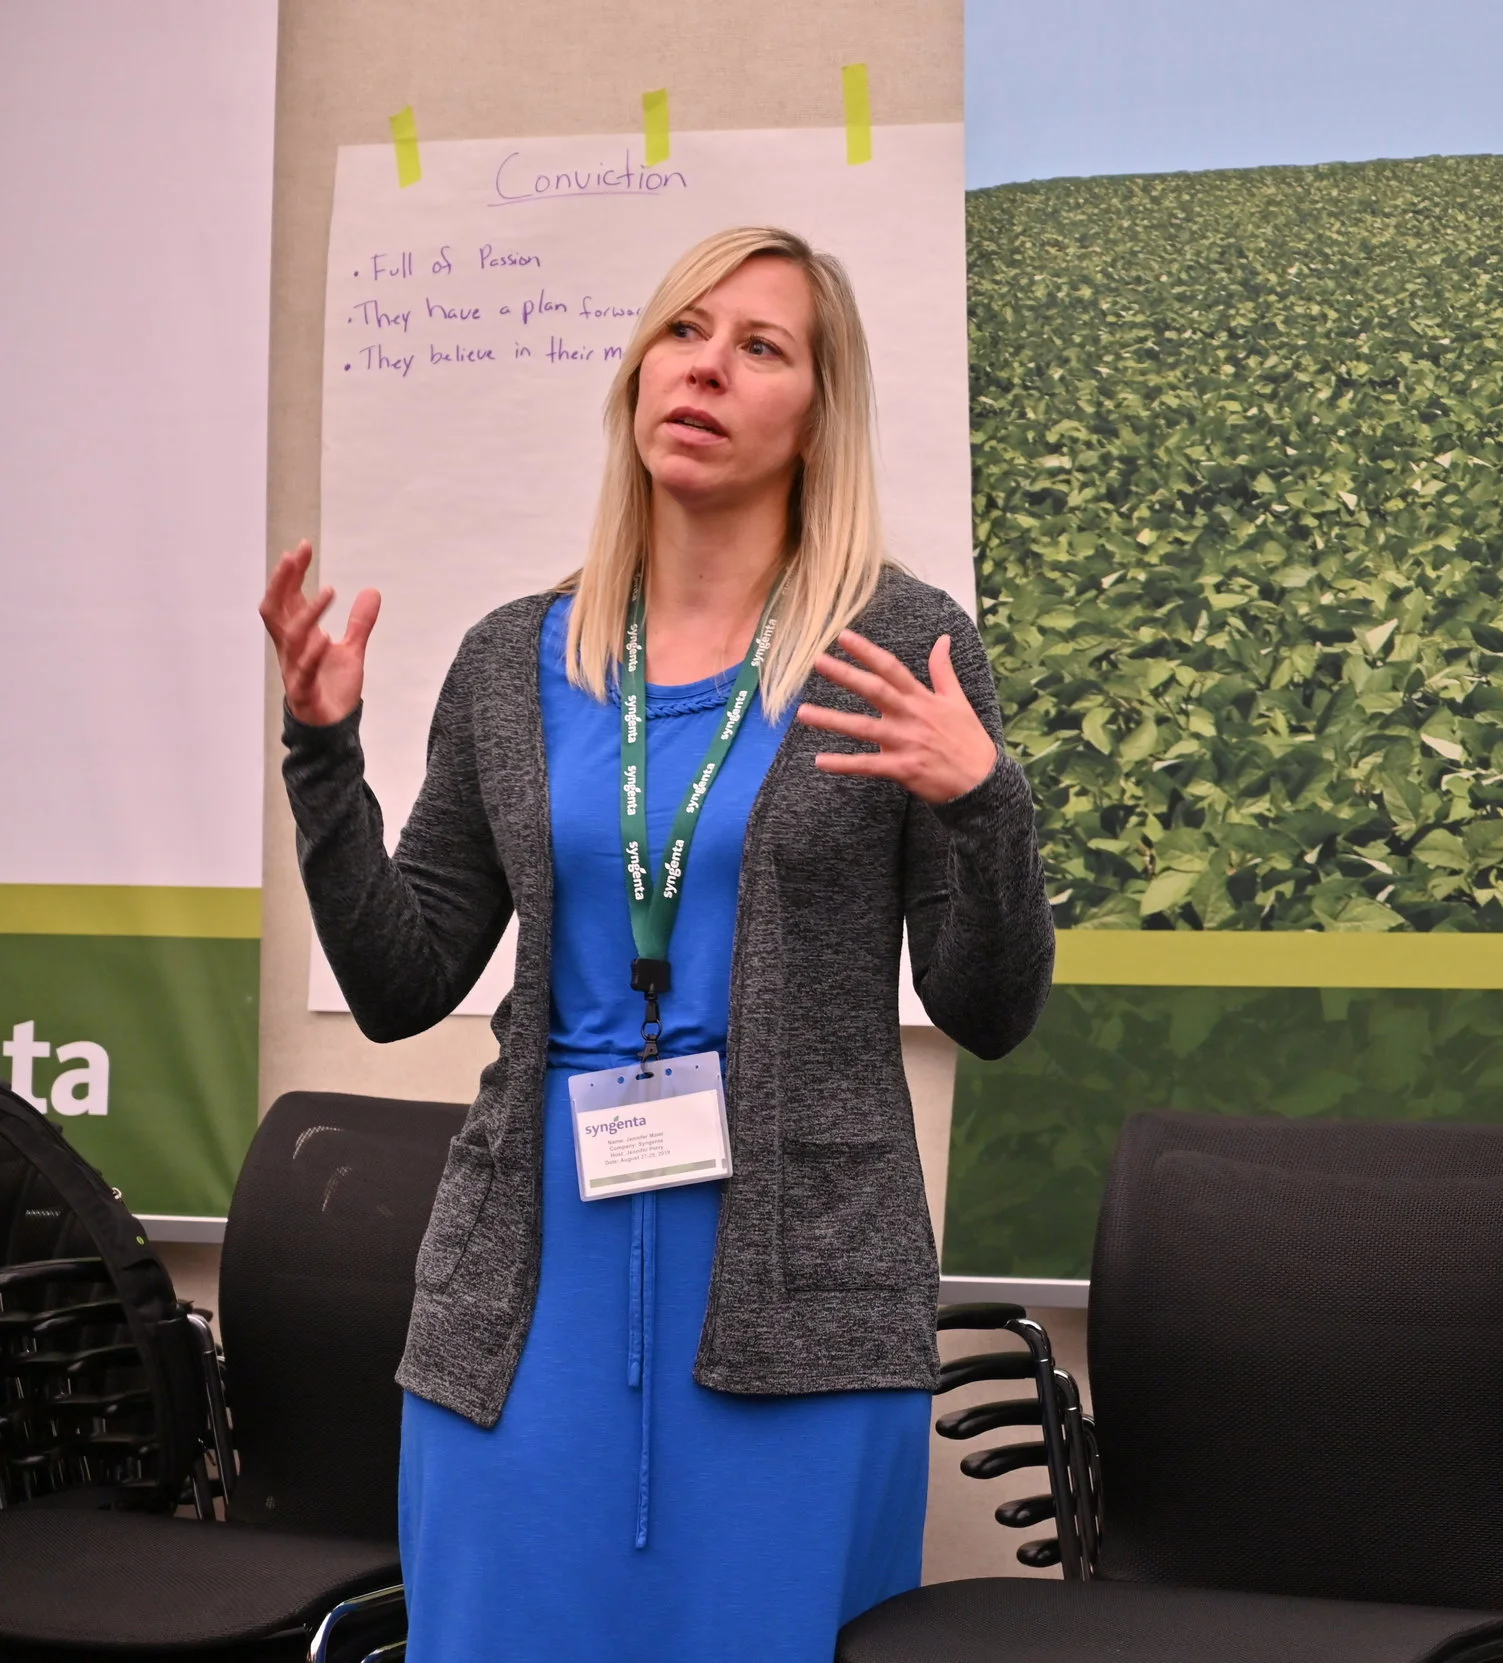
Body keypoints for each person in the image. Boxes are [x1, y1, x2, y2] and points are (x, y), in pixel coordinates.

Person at [258, 226, 1054, 1659]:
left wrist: (982, 803)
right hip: (524, 1306)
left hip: (802, 1304)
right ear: (635, 375)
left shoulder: (896, 643)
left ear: (819, 413)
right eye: (684, 331)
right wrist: (323, 756)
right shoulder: (516, 659)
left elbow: (987, 1011)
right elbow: (400, 982)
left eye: (761, 346)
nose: (707, 367)